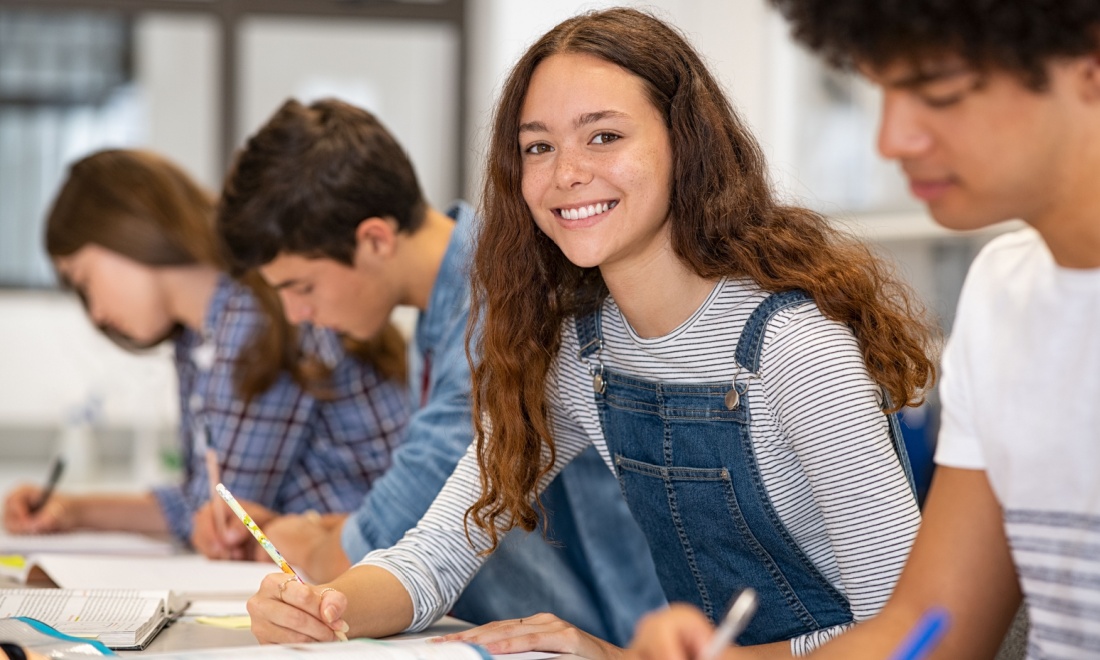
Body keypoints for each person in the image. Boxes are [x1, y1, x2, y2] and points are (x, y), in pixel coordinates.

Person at [244, 8, 939, 658]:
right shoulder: (579, 353)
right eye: (538, 147)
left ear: (684, 144)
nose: (566, 174)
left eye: (604, 136)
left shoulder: (794, 348)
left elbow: (914, 633)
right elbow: (435, 554)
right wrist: (324, 605)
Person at [627, 0, 1100, 658]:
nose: (892, 140)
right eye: (879, 90)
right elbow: (932, 629)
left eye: (937, 91)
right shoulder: (1004, 293)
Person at [211, 97, 666, 646]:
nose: (297, 315)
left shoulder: (499, 305)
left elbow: (388, 528)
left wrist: (305, 538)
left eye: (301, 287)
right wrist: (315, 542)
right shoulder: (439, 312)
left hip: (608, 633)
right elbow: (433, 532)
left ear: (376, 238)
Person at [1, 149, 409, 548]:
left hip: (378, 565)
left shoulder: (256, 318)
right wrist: (70, 510)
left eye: (85, 280)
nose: (96, 315)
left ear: (127, 229)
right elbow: (204, 502)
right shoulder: (201, 336)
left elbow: (222, 517)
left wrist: (80, 511)